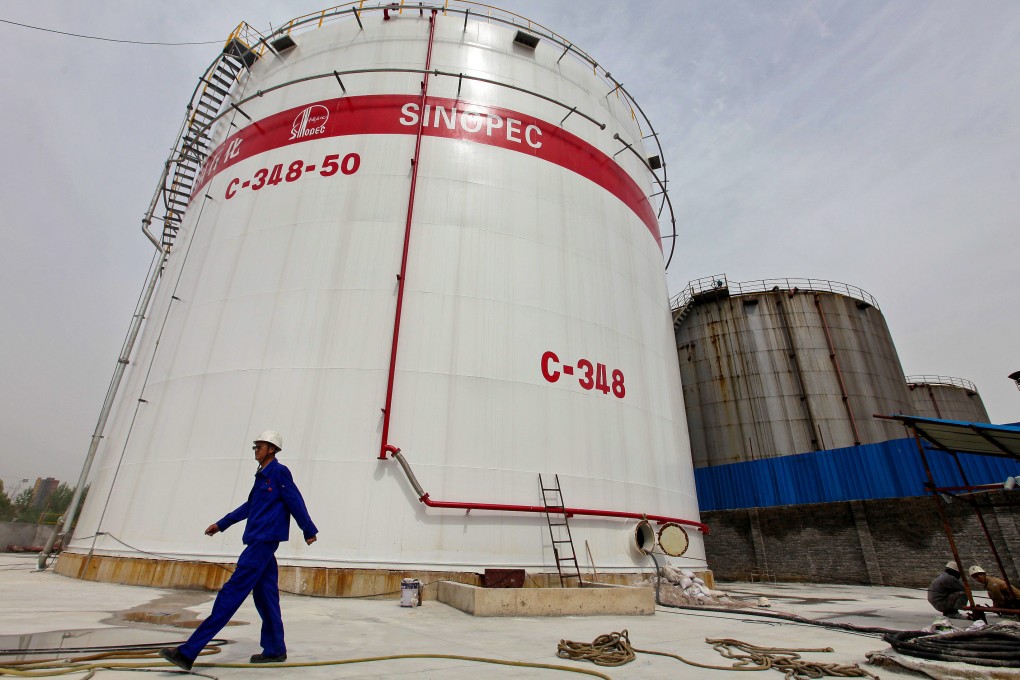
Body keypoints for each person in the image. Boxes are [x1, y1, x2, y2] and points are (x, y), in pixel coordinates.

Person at [161, 431, 318, 671]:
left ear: (271, 449)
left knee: (230, 595)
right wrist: (221, 524)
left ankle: (188, 652)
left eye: (259, 446)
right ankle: (275, 649)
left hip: (262, 543)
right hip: (259, 542)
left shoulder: (279, 472)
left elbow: (294, 500)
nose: (255, 450)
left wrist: (308, 530)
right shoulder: (261, 476)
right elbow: (250, 506)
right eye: (255, 446)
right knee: (266, 598)